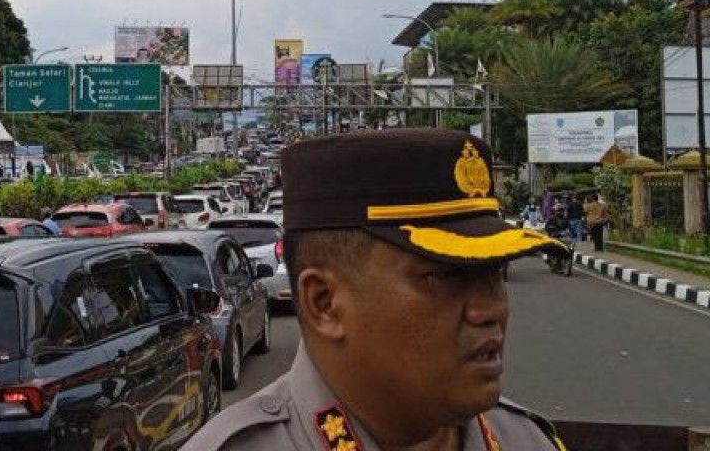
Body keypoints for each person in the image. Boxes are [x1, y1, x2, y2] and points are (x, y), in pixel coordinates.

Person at [181, 128, 570, 451]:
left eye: (493, 272)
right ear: (325, 303)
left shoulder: (526, 440)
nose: (490, 311)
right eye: (442, 277)